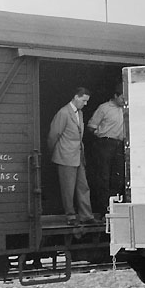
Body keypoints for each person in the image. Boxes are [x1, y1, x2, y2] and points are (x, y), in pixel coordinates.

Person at [47, 87, 96, 226]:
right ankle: (70, 216)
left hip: (78, 155)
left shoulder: (79, 113)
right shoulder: (63, 113)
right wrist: (55, 153)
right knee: (68, 189)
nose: (85, 104)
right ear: (76, 97)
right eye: (84, 100)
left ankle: (86, 216)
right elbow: (53, 135)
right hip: (65, 155)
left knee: (83, 186)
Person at [87, 83, 126, 216]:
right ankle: (103, 209)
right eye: (122, 98)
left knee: (118, 177)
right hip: (105, 143)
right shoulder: (104, 108)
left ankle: (116, 208)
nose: (124, 101)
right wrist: (101, 134)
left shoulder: (126, 108)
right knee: (103, 176)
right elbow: (91, 126)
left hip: (120, 144)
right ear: (115, 96)